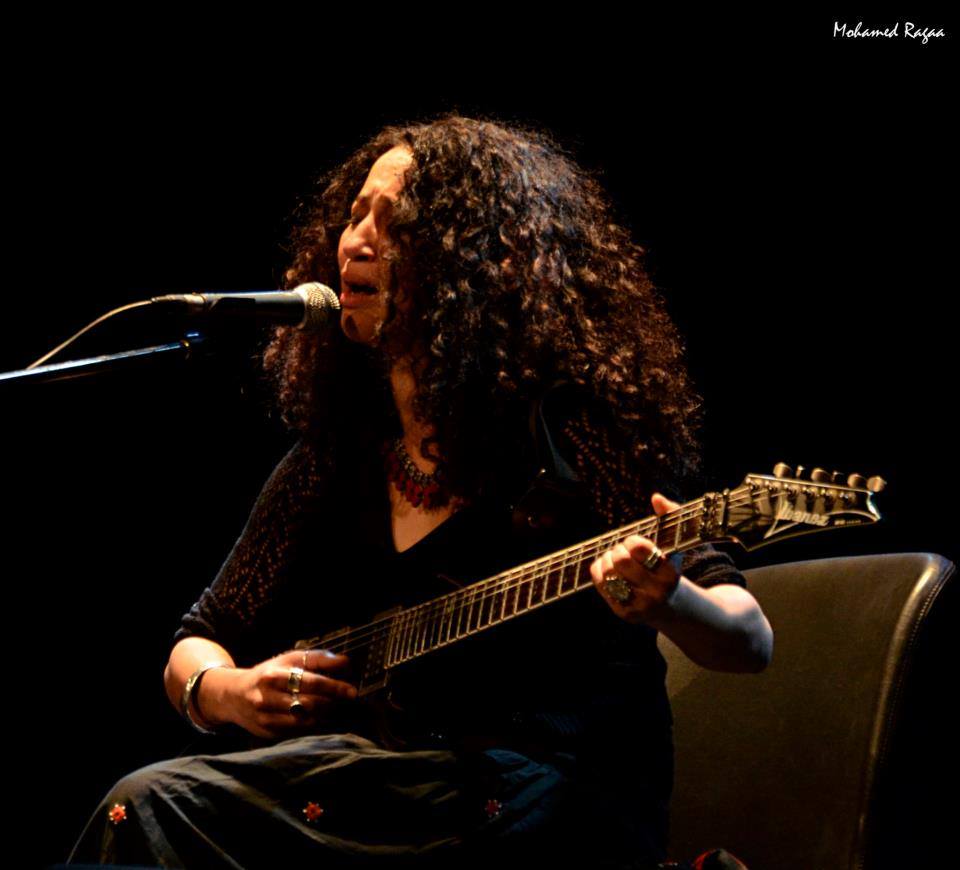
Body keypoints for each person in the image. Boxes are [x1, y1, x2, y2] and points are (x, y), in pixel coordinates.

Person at [70, 115, 773, 868]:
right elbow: (197, 639)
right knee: (147, 803)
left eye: (395, 224)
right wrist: (228, 691)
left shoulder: (569, 435)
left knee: (170, 809)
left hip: (552, 799)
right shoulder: (338, 457)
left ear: (478, 262)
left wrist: (671, 601)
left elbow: (749, 638)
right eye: (354, 217)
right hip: (386, 787)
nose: (356, 242)